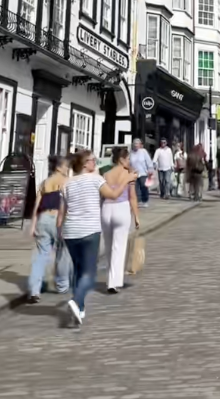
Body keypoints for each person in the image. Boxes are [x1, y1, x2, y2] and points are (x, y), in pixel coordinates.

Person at [58, 149, 136, 326]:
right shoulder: (96, 180)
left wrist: (59, 232)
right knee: (89, 273)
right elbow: (114, 195)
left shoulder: (66, 183)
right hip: (89, 230)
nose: (96, 163)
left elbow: (62, 212)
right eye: (93, 160)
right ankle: (76, 300)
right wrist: (127, 180)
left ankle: (80, 308)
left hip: (70, 232)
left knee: (78, 269)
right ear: (85, 164)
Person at [27, 155, 71, 304]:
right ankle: (62, 285)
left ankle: (34, 290)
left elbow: (37, 206)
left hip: (43, 219)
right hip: (59, 219)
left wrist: (33, 225)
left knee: (40, 256)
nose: (68, 168)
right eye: (66, 166)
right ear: (58, 167)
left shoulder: (44, 183)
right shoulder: (66, 182)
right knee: (63, 253)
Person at [101, 147, 140, 294]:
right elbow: (132, 197)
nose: (129, 161)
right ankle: (114, 281)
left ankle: (110, 280)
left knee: (109, 246)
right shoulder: (129, 174)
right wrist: (136, 216)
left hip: (106, 209)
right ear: (121, 160)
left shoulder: (105, 174)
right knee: (119, 246)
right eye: (128, 158)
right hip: (121, 208)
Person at [130, 138, 154, 208]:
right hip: (134, 173)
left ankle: (145, 200)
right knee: (135, 188)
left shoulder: (143, 151)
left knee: (144, 187)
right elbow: (129, 163)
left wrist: (150, 169)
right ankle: (138, 201)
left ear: (140, 145)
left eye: (137, 144)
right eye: (135, 144)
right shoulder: (131, 152)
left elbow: (148, 161)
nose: (136, 145)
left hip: (143, 173)